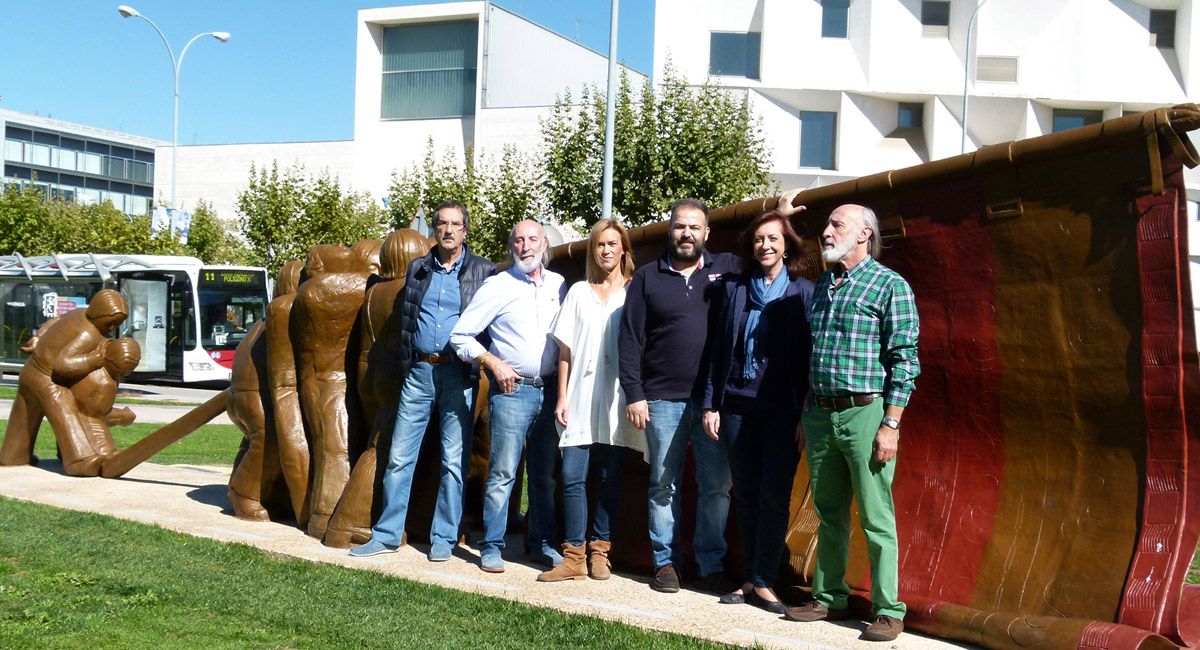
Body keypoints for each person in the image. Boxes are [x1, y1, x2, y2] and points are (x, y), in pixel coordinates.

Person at [775, 191, 920, 643]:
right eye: (826, 225)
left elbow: (906, 360)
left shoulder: (889, 286)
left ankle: (888, 609)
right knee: (828, 512)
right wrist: (783, 219)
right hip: (820, 416)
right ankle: (829, 597)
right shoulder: (825, 283)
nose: (827, 231)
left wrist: (890, 424)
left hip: (865, 413)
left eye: (837, 225)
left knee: (876, 514)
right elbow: (792, 251)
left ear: (864, 234)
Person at [350, 202, 495, 560]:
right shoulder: (419, 268)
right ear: (435, 229)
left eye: (455, 224)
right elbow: (406, 320)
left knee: (453, 461)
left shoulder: (483, 271)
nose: (448, 230)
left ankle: (443, 539)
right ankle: (385, 534)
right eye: (442, 224)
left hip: (459, 374)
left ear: (465, 231)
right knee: (399, 456)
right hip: (419, 373)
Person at [618, 198, 739, 594]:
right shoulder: (648, 278)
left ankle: (709, 562)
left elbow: (770, 256)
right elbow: (630, 338)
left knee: (716, 485)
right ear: (670, 230)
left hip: (711, 404)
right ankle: (666, 561)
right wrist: (634, 393)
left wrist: (785, 219)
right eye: (679, 227)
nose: (686, 234)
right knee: (663, 484)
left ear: (707, 233)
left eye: (694, 228)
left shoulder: (727, 270)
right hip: (661, 400)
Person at [701, 210, 813, 614]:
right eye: (759, 239)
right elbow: (719, 349)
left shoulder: (803, 293)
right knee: (745, 494)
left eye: (774, 238)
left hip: (783, 411)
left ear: (787, 247)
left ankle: (766, 579)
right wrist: (712, 402)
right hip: (736, 406)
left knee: (774, 496)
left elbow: (809, 360)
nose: (765, 245)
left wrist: (805, 411)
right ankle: (750, 577)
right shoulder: (735, 288)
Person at [450, 219, 565, 574]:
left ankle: (541, 543)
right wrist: (493, 362)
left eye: (533, 239)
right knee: (503, 473)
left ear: (545, 244)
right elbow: (461, 336)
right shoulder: (497, 286)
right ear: (511, 247)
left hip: (549, 392)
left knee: (544, 475)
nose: (526, 246)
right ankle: (492, 545)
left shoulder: (559, 286)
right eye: (518, 241)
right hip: (512, 392)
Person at [537, 219, 645, 582]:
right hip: (580, 398)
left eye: (613, 244)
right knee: (571, 476)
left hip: (617, 398)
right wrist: (562, 396)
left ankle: (601, 550)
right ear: (593, 250)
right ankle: (573, 555)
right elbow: (565, 349)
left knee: (609, 476)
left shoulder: (634, 291)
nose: (607, 251)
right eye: (600, 244)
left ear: (624, 250)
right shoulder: (579, 292)